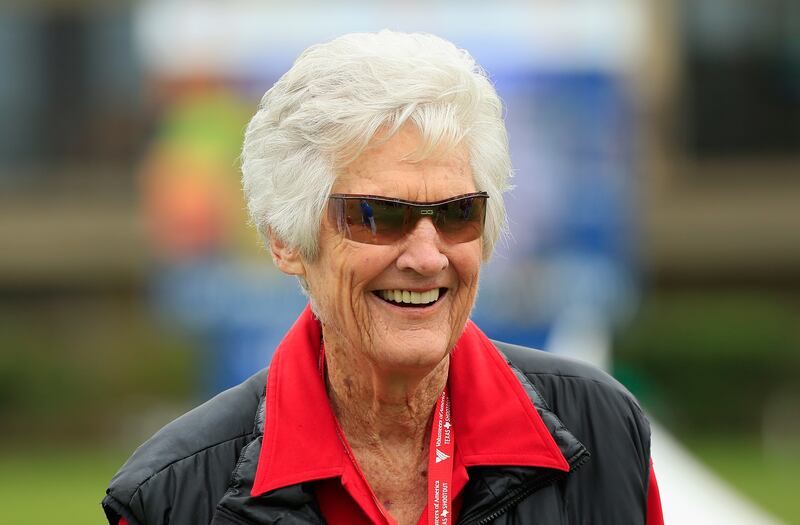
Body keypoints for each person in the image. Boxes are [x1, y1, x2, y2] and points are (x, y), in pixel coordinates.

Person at [103, 31, 663, 525]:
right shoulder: (174, 497)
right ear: (284, 238)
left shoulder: (602, 431)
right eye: (378, 216)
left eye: (457, 213)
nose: (427, 256)